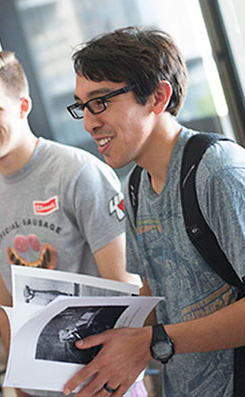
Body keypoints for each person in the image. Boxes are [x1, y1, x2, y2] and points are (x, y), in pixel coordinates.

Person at [64, 26, 245, 397]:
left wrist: (150, 342)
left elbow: (158, 335)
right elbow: (155, 289)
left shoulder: (218, 171)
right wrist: (103, 352)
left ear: (158, 96)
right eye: (82, 106)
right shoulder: (135, 185)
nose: (89, 121)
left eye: (101, 101)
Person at [0, 50, 142, 397]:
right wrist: (19, 383)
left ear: (23, 107)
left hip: (103, 382)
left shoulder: (78, 173)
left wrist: (115, 376)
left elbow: (124, 287)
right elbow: (6, 309)